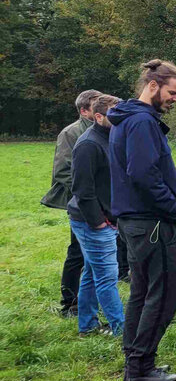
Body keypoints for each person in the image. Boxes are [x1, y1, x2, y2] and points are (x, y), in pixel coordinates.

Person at [107, 59, 176, 381]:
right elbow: (142, 174)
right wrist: (173, 208)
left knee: (142, 293)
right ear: (152, 86)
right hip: (151, 221)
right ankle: (141, 367)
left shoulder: (130, 119)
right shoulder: (140, 122)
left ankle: (138, 364)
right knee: (163, 293)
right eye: (173, 92)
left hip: (138, 221)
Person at [68, 93, 124, 338]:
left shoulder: (111, 137)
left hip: (107, 217)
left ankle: (88, 325)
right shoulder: (88, 144)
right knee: (107, 277)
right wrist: (99, 222)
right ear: (98, 116)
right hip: (91, 221)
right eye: (115, 114)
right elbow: (82, 189)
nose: (120, 117)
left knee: (92, 274)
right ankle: (122, 329)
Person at [44, 88, 101, 317]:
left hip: (104, 203)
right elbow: (63, 172)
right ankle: (70, 303)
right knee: (77, 252)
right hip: (81, 203)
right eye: (97, 105)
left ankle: (92, 299)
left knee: (101, 252)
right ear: (84, 110)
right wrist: (90, 194)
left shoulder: (105, 129)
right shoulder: (71, 133)